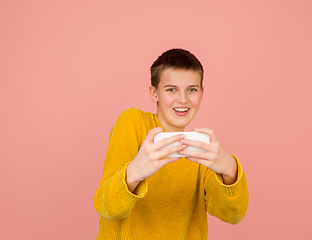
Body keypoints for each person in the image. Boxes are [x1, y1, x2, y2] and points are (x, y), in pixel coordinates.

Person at [94, 48, 249, 240]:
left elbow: (232, 215)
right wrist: (134, 173)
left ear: (201, 93)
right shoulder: (133, 123)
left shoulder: (202, 150)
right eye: (171, 89)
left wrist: (230, 169)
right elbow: (106, 207)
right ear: (154, 93)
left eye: (191, 90)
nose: (183, 99)